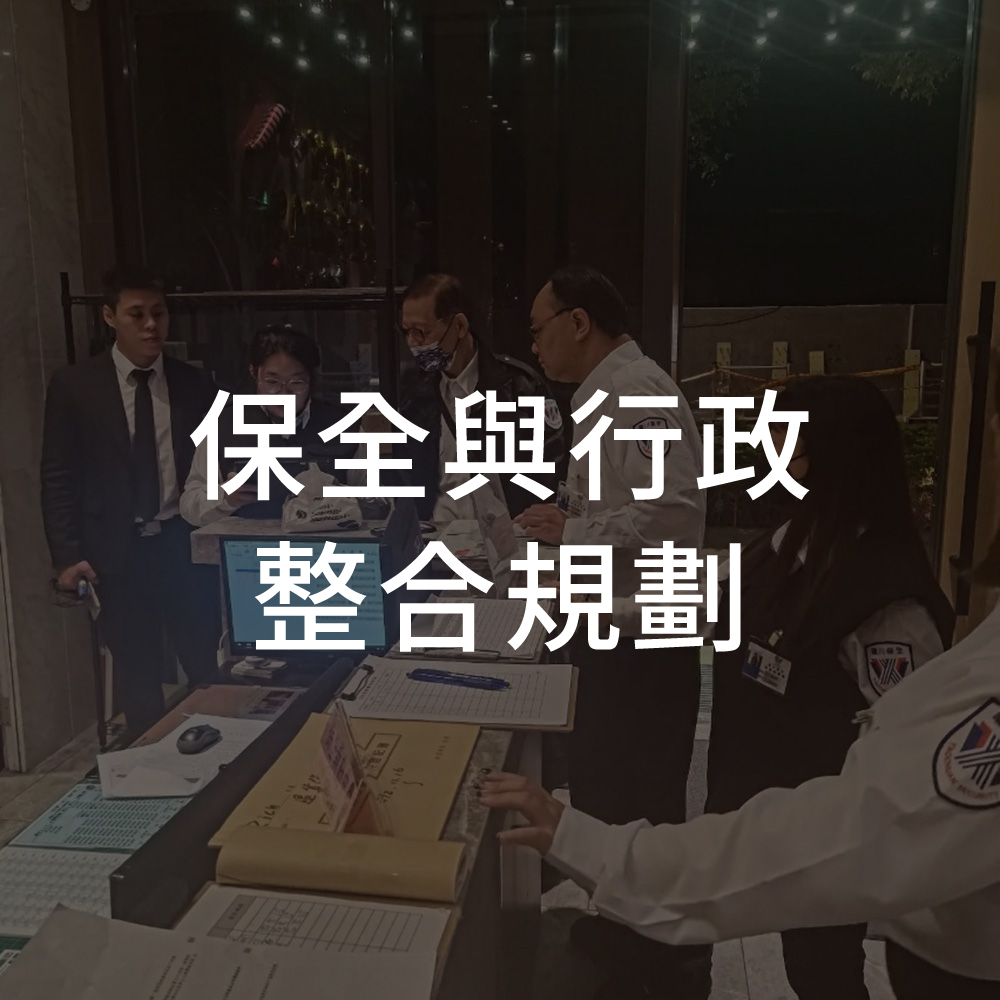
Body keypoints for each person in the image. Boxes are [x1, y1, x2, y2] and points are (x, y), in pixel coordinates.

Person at [481, 367, 1000, 1000]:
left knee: (820, 968)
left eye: (785, 442)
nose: (768, 454)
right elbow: (702, 605)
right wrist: (587, 602)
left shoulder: (885, 600)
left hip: (824, 831)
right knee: (732, 920)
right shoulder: (786, 542)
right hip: (752, 793)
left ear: (832, 456)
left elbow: (898, 773)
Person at [516, 265, 708, 997]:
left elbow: (672, 512)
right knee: (606, 790)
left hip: (643, 639)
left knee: (642, 804)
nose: (534, 345)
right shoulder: (603, 396)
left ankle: (662, 957)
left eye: (538, 329)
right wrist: (565, 522)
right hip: (610, 630)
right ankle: (624, 927)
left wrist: (572, 530)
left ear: (578, 322)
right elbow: (615, 507)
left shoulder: (640, 392)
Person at [41, 267, 221, 737]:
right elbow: (58, 475)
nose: (151, 325)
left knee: (204, 662)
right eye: (136, 314)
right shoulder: (76, 386)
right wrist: (67, 556)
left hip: (180, 544)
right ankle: (149, 764)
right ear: (109, 316)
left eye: (159, 313)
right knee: (137, 675)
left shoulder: (193, 384)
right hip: (115, 552)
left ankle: (214, 760)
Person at [397, 273, 566, 522]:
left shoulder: (520, 387)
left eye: (421, 332)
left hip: (509, 534)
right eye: (407, 332)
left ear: (460, 326)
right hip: (437, 533)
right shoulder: (415, 391)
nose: (412, 343)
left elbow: (551, 471)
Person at [180, 325, 356, 526]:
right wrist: (225, 498)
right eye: (272, 382)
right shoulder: (222, 426)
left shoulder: (343, 425)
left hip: (325, 541)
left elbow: (377, 503)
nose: (284, 394)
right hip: (246, 542)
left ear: (311, 379)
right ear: (254, 373)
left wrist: (345, 497)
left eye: (296, 383)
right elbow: (189, 505)